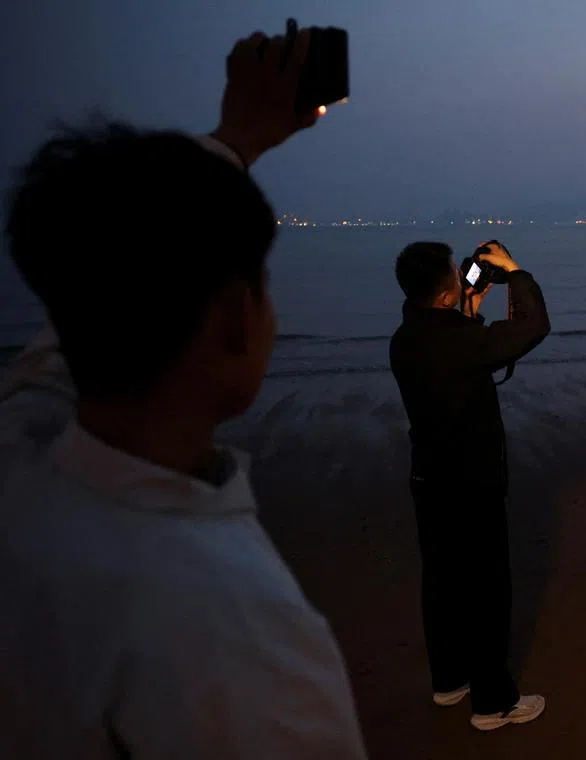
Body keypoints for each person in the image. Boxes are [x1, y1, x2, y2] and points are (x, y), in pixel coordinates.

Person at [0, 28, 368, 759]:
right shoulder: (238, 631)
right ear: (237, 315)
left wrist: (237, 139)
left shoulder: (18, 460)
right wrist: (237, 139)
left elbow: (67, 330)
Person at [388, 240, 550, 731]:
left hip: (429, 477)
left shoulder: (405, 337)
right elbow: (534, 326)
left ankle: (449, 681)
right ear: (444, 290)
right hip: (472, 480)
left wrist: (469, 312)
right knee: (485, 589)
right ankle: (493, 703)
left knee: (442, 582)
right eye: (457, 275)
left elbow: (457, 358)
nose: (465, 279)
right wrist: (515, 271)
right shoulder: (459, 338)